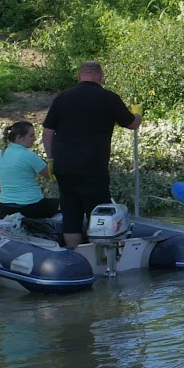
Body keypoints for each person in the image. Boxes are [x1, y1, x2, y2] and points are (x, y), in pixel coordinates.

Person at [42, 61, 140, 248]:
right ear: (100, 77)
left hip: (64, 166)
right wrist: (137, 114)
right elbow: (131, 124)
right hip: (93, 166)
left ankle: (73, 255)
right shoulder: (108, 98)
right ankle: (101, 257)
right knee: (99, 212)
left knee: (71, 214)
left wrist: (50, 158)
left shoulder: (62, 97)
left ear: (79, 76)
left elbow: (47, 131)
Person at [0, 120, 59, 219]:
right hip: (31, 206)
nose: (34, 139)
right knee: (66, 204)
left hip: (6, 207)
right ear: (19, 138)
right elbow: (51, 176)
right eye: (31, 135)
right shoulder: (29, 155)